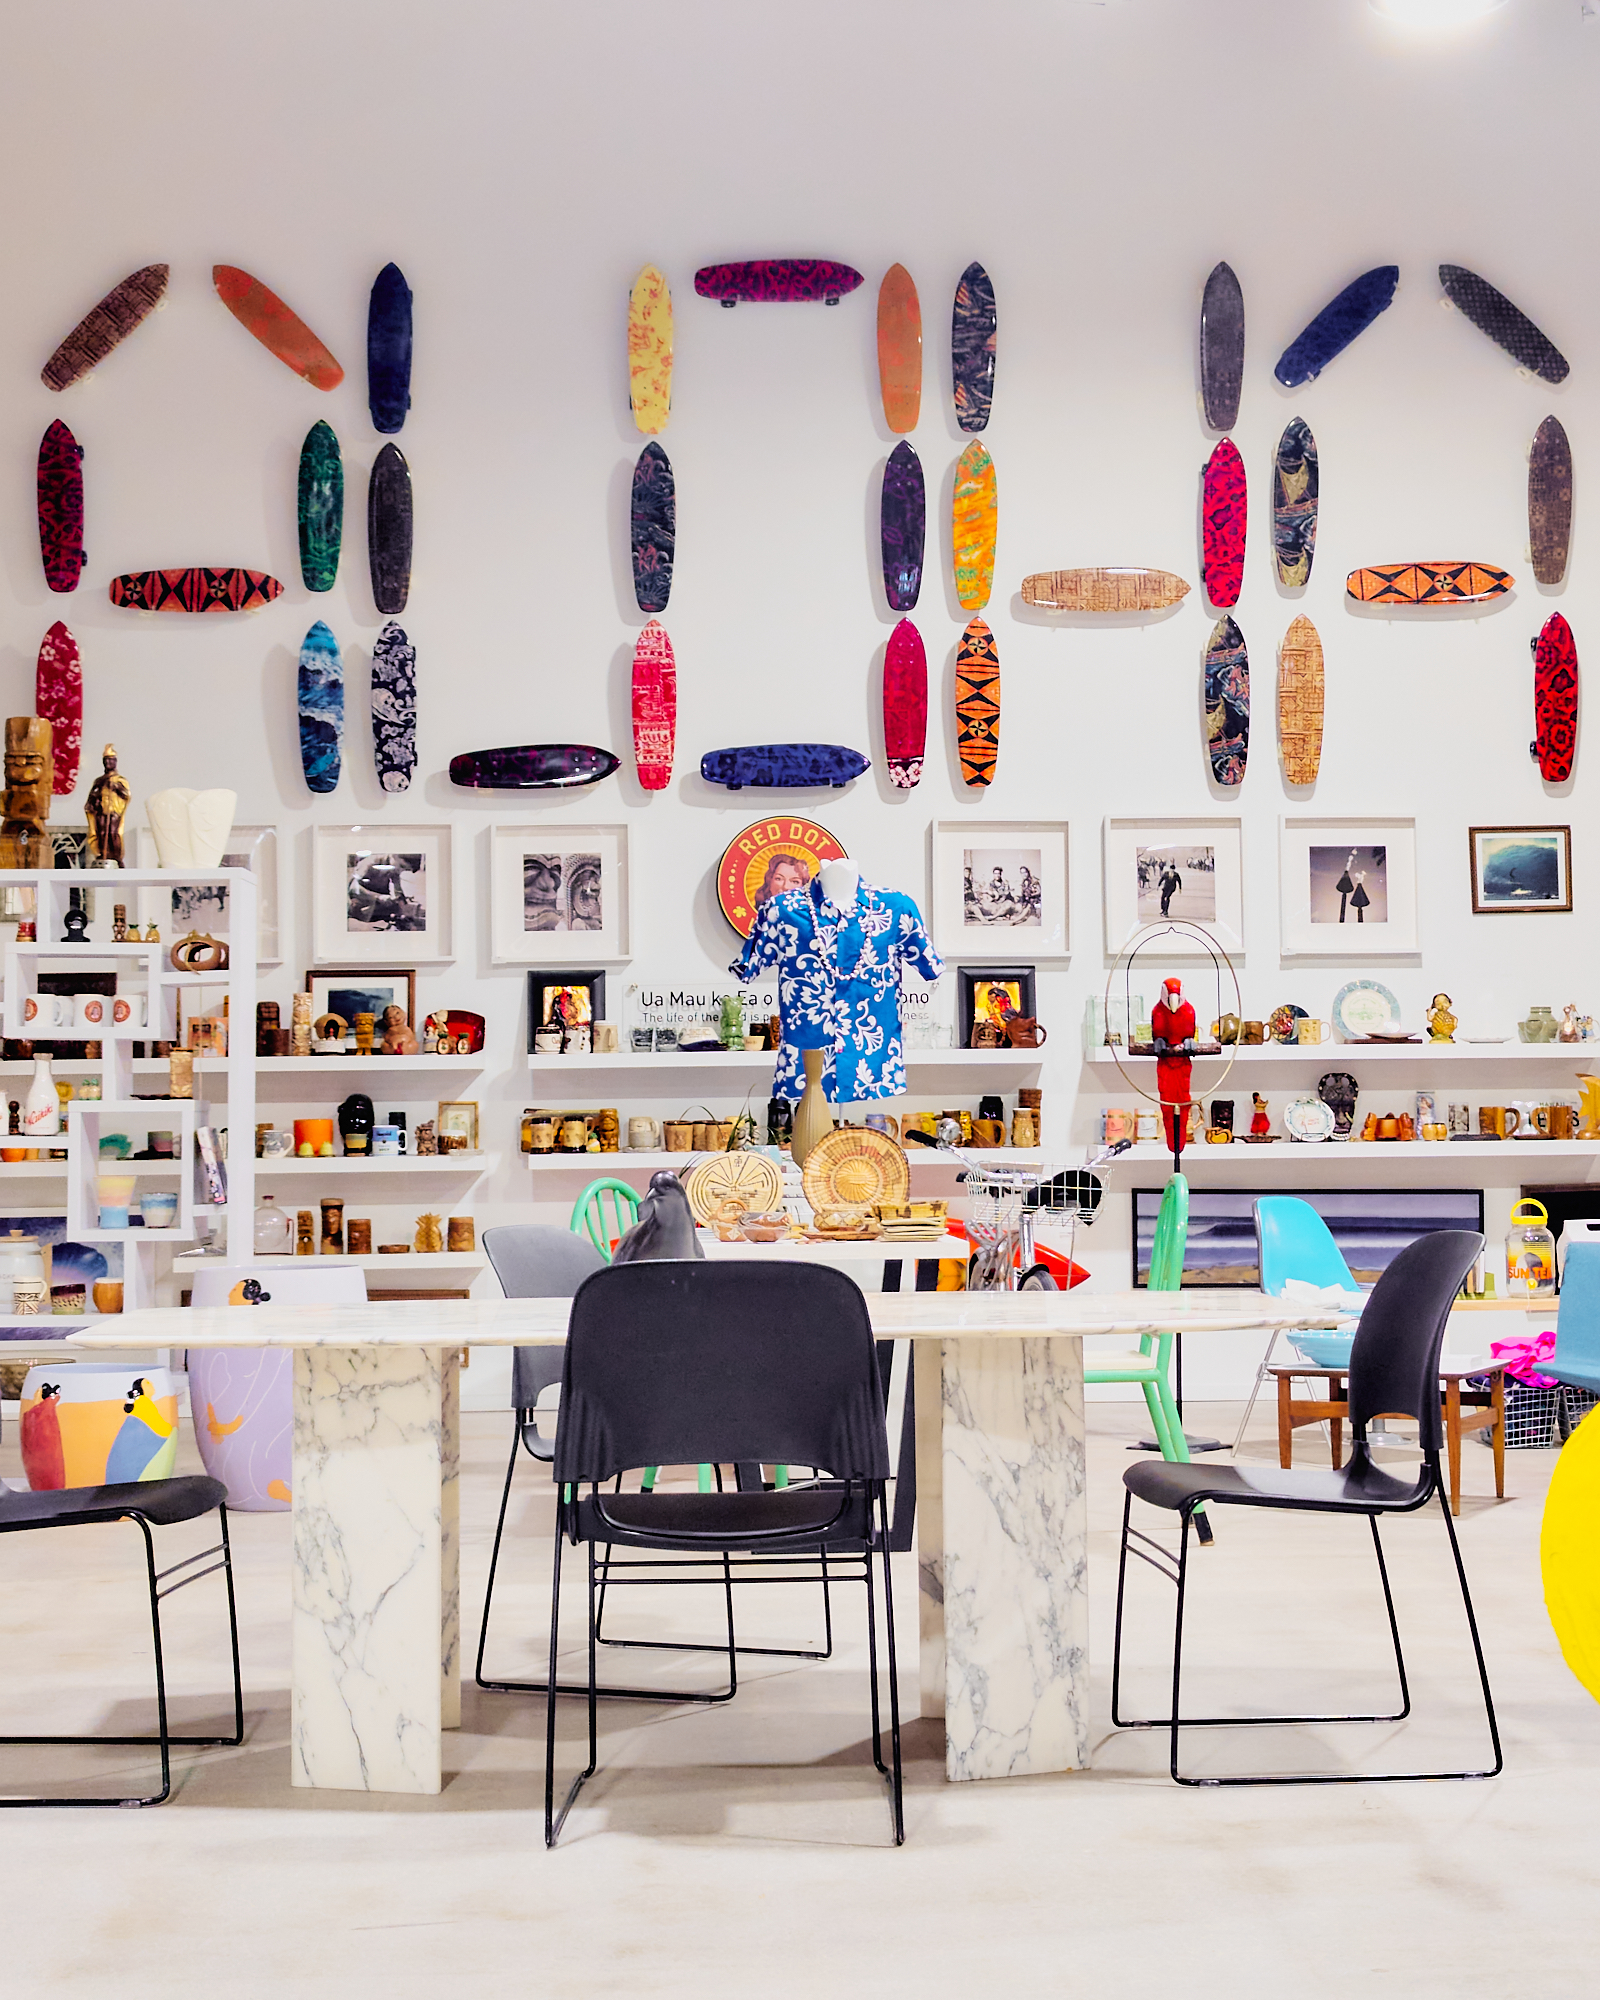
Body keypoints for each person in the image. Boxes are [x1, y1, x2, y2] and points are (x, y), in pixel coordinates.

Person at [84, 743, 130, 866]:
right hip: (101, 811)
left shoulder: (119, 780)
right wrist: (91, 803)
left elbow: (126, 795)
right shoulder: (99, 781)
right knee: (102, 834)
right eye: (106, 760)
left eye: (111, 760)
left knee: (113, 833)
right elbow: (92, 795)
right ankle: (103, 854)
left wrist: (116, 787)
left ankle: (116, 856)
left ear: (115, 762)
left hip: (113, 812)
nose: (108, 762)